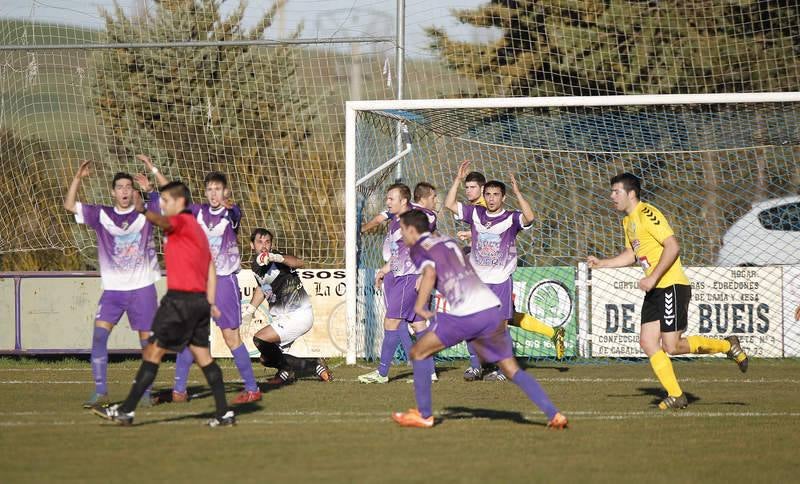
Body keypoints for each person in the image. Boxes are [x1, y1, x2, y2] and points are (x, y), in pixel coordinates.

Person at [391, 210, 567, 429]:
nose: (400, 234)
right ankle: (554, 414)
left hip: (465, 313)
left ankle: (424, 415)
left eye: (401, 229)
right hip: (491, 308)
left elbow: (429, 273)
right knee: (511, 369)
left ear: (410, 229)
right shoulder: (447, 241)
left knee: (418, 352)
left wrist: (420, 305)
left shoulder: (418, 247)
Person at [587, 173, 748, 410]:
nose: (612, 196)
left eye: (616, 191)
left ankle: (727, 345)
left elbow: (673, 246)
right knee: (647, 341)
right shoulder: (627, 221)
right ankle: (676, 395)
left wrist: (652, 277)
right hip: (656, 288)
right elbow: (631, 255)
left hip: (670, 284)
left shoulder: (647, 214)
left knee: (671, 346)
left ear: (631, 193)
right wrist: (602, 263)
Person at [91, 181, 235, 427]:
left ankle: (126, 410)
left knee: (153, 352)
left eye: (167, 201)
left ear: (180, 203)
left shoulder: (181, 221)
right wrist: (209, 301)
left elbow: (165, 222)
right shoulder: (197, 228)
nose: (164, 205)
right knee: (204, 358)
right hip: (198, 302)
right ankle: (224, 413)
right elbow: (210, 265)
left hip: (179, 302)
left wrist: (144, 211)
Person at [139, 155, 260, 404]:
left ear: (225, 191)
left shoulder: (231, 213)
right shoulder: (197, 212)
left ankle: (252, 388)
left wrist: (230, 205)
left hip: (224, 283)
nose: (214, 194)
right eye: (210, 189)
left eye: (218, 189)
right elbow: (172, 195)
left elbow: (235, 212)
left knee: (231, 338)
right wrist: (153, 170)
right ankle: (179, 391)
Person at [446, 161, 566, 383]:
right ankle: (475, 368)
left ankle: (503, 369)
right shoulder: (475, 213)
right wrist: (457, 179)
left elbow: (530, 217)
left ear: (503, 197)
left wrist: (519, 193)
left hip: (500, 280)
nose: (491, 198)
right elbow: (449, 203)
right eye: (488, 194)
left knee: (500, 327)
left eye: (496, 195)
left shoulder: (511, 218)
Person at [63, 160, 160, 408]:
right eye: (120, 187)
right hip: (114, 291)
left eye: (129, 186)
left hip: (142, 289)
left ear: (133, 191)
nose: (125, 191)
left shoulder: (146, 213)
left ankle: (147, 392)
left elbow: (162, 207)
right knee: (98, 337)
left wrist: (149, 190)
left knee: (147, 343)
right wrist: (78, 177)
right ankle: (100, 391)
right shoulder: (101, 215)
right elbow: (69, 205)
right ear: (113, 191)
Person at [358, 183, 437, 384]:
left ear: (404, 201)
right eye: (387, 198)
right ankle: (429, 372)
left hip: (409, 278)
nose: (387, 202)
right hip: (400, 274)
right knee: (418, 324)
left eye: (391, 198)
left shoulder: (416, 220)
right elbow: (399, 252)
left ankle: (382, 373)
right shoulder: (396, 221)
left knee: (391, 321)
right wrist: (385, 269)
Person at [242, 228, 334, 384]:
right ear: (252, 245)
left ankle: (313, 365)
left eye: (267, 242)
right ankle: (286, 373)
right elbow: (262, 288)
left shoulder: (277, 260)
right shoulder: (255, 265)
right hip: (285, 317)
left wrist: (275, 257)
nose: (264, 246)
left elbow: (299, 262)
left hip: (297, 314)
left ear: (272, 245)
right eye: (259, 242)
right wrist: (250, 311)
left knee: (260, 339)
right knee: (266, 358)